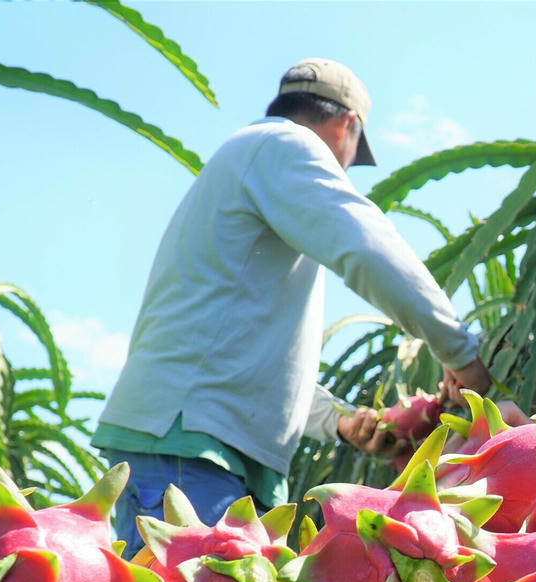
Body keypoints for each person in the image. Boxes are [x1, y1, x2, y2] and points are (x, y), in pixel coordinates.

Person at [93, 58, 491, 555]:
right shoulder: (284, 145)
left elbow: (248, 354)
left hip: (196, 445)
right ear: (348, 125)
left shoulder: (250, 160)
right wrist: (461, 354)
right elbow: (366, 248)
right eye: (351, 156)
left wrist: (340, 421)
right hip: (190, 451)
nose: (343, 169)